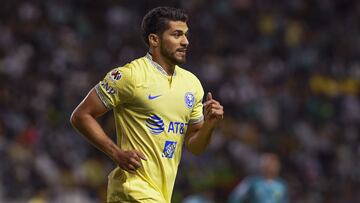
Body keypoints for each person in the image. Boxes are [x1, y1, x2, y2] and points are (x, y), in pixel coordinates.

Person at [70, 6, 224, 203]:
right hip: (131, 190)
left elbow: (195, 146)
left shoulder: (192, 84)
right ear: (154, 40)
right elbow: (81, 115)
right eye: (177, 35)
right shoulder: (130, 75)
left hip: (160, 194)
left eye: (185, 35)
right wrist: (116, 153)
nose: (185, 41)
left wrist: (210, 125)